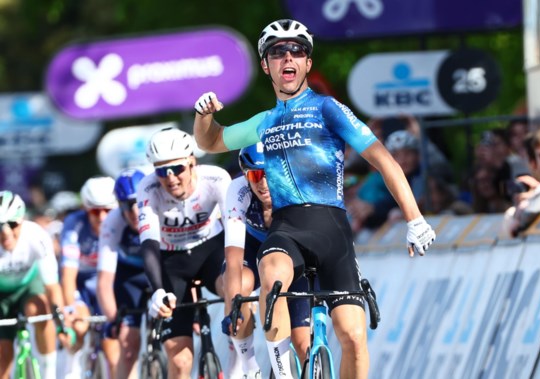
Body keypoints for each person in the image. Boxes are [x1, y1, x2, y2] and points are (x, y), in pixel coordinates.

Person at [192, 19, 436, 379]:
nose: (287, 56)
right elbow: (209, 142)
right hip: (287, 227)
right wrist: (203, 117)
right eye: (277, 51)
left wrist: (415, 219)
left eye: (297, 50)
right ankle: (282, 371)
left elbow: (385, 161)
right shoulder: (263, 121)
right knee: (271, 275)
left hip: (332, 228)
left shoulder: (328, 109)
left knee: (352, 337)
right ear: (266, 66)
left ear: (307, 63)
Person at [138, 127, 231, 378]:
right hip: (171, 263)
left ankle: (243, 365)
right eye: (161, 171)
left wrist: (238, 281)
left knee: (236, 290)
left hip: (211, 251)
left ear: (192, 162)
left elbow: (235, 229)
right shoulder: (147, 189)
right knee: (180, 362)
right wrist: (158, 289)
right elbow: (148, 244)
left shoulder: (216, 179)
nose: (170, 178)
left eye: (177, 168)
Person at [222, 143, 311, 378]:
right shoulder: (237, 191)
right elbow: (233, 258)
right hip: (253, 248)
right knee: (238, 289)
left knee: (303, 344)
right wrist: (232, 307)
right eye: (255, 175)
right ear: (245, 175)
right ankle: (250, 367)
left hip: (292, 251)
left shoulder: (295, 186)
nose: (262, 183)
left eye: (269, 173)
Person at [0, 191, 71, 379]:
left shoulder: (36, 236)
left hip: (27, 287)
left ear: (22, 220)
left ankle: (48, 372)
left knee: (41, 308)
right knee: (2, 362)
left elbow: (52, 286)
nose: (5, 232)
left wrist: (60, 321)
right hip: (1, 295)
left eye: (12, 224)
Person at [59, 176, 120, 378]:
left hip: (109, 285)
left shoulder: (122, 220)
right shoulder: (74, 224)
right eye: (95, 211)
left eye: (107, 210)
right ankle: (72, 367)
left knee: (113, 352)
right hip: (82, 285)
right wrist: (69, 310)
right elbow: (68, 275)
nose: (102, 217)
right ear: (86, 209)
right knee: (79, 325)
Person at [96, 169, 148, 379]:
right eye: (127, 205)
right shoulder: (112, 222)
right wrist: (113, 320)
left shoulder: (162, 210)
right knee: (127, 346)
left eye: (139, 203)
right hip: (129, 277)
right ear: (119, 206)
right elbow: (104, 282)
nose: (134, 212)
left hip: (163, 270)